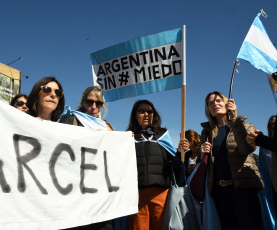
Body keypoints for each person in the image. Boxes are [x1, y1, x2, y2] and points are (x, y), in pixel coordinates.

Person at [200, 91, 264, 230]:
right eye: (210, 103)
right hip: (219, 193)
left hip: (243, 189)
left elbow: (246, 148)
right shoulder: (207, 133)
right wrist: (202, 153)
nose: (214, 104)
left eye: (218, 101)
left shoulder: (245, 125)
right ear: (208, 110)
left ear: (226, 103)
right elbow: (207, 164)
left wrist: (235, 119)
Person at [127, 99, 187, 230]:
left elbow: (174, 165)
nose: (146, 114)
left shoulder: (163, 135)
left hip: (161, 194)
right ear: (135, 115)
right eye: (141, 111)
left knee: (163, 227)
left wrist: (180, 152)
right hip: (136, 196)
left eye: (150, 111)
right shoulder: (128, 138)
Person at [59, 86, 114, 230]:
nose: (94, 107)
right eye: (90, 102)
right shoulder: (70, 120)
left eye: (98, 103)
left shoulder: (106, 127)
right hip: (75, 196)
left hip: (100, 198)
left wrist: (123, 140)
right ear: (83, 102)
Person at [247, 114, 277, 221]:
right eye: (272, 123)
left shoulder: (265, 143)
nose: (274, 126)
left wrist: (260, 140)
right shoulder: (264, 148)